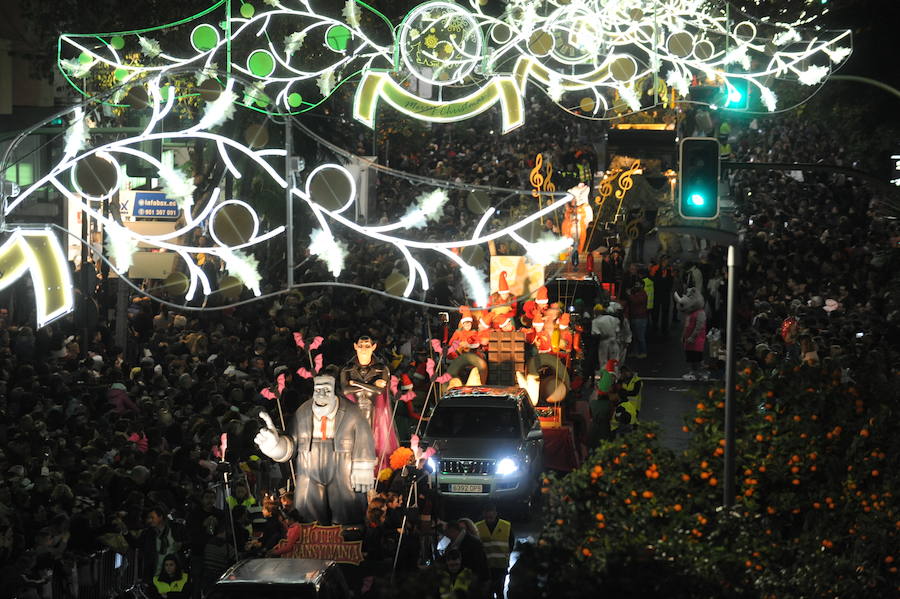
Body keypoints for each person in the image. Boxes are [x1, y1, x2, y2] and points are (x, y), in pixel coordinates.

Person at [254, 375, 376, 525]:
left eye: (326, 390)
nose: (322, 394)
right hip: (309, 469)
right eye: (318, 390)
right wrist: (275, 447)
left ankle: (348, 539)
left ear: (334, 391)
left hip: (343, 470)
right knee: (308, 517)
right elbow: (291, 445)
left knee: (347, 514)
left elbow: (364, 439)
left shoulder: (353, 413)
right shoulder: (303, 412)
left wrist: (363, 468)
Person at [340, 335, 398, 463]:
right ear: (355, 347)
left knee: (370, 436)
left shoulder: (382, 369)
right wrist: (371, 385)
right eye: (361, 346)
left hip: (374, 410)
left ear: (373, 347)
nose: (364, 349)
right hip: (353, 410)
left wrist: (355, 383)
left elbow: (379, 391)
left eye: (367, 346)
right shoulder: (347, 369)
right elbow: (345, 390)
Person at [475, 504, 514, 599]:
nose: (489, 517)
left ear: (496, 513)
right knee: (488, 593)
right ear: (484, 514)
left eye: (491, 514)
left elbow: (511, 543)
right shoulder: (478, 527)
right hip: (486, 566)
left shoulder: (506, 526)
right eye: (487, 515)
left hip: (500, 566)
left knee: (499, 591)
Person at [443, 519, 489, 586]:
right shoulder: (453, 544)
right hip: (463, 581)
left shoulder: (473, 543)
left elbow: (479, 564)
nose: (447, 536)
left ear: (453, 531)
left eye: (447, 533)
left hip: (472, 582)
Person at [625, 280, 649, 359]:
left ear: (642, 286)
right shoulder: (636, 293)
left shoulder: (643, 294)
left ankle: (643, 352)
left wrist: (629, 295)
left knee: (640, 336)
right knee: (635, 337)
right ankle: (636, 352)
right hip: (634, 317)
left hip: (640, 318)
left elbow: (636, 301)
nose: (635, 286)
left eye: (637, 284)